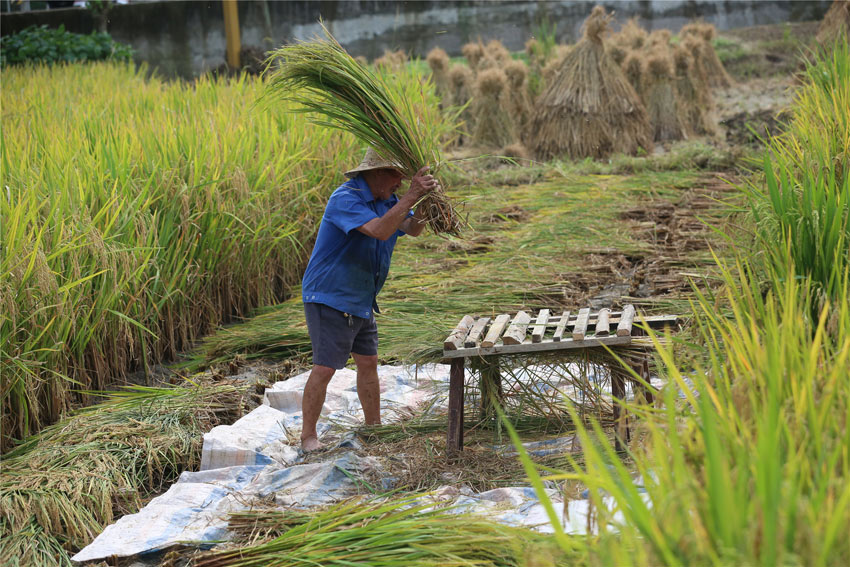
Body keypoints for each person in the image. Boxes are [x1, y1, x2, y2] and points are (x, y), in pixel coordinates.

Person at [299, 148, 437, 451]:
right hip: (330, 295)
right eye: (395, 175)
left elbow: (411, 228)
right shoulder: (345, 198)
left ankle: (374, 428)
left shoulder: (388, 200)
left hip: (361, 297)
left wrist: (427, 202)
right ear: (375, 173)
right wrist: (412, 195)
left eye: (405, 177)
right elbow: (378, 230)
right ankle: (308, 437)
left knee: (369, 362)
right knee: (325, 368)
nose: (400, 182)